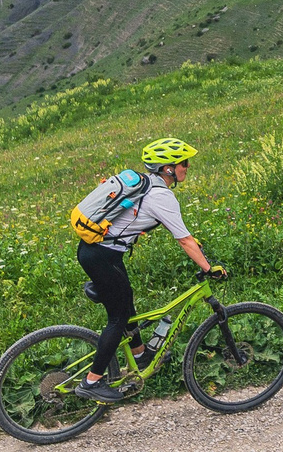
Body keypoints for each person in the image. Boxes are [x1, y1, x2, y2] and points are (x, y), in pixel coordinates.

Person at [73, 137, 224, 403]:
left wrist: (194, 245)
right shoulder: (161, 195)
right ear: (168, 168)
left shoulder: (147, 186)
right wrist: (209, 268)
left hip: (99, 253)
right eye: (183, 163)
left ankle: (141, 355)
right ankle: (92, 382)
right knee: (118, 319)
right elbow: (184, 240)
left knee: (126, 301)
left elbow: (180, 233)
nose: (187, 167)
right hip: (102, 258)